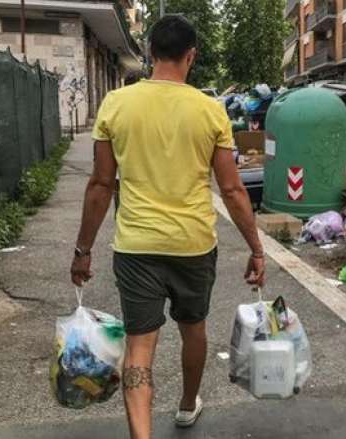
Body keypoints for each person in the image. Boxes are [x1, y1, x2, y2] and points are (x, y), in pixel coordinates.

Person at [70, 15, 265, 439]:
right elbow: (232, 191)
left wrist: (83, 250)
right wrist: (257, 249)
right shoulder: (210, 110)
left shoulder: (116, 104)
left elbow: (101, 184)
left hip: (136, 245)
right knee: (192, 328)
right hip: (193, 244)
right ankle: (185, 405)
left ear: (150, 53)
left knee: (141, 347)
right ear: (191, 56)